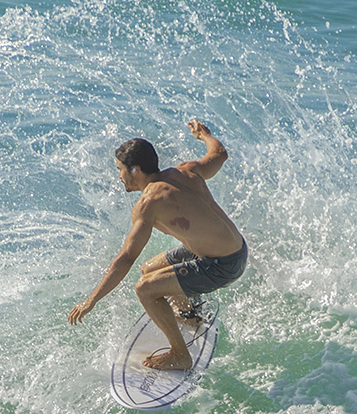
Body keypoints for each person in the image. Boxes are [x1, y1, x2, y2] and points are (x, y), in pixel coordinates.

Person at [68, 119, 247, 370]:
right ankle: (189, 315)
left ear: (135, 170)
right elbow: (219, 154)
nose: (119, 176)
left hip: (222, 265)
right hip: (236, 248)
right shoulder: (185, 171)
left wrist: (91, 300)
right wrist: (204, 135)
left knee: (145, 288)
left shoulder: (148, 204)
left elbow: (125, 258)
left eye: (120, 169)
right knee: (149, 269)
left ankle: (180, 355)